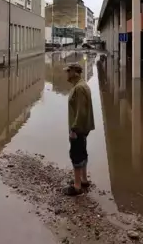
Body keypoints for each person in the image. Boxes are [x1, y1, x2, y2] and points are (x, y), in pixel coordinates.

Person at [64, 63, 95, 196]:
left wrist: (74, 129)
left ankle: (77, 186)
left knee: (76, 154)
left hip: (79, 128)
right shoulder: (81, 86)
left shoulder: (79, 88)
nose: (66, 74)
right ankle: (83, 179)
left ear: (75, 73)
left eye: (68, 71)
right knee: (82, 151)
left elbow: (81, 111)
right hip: (82, 127)